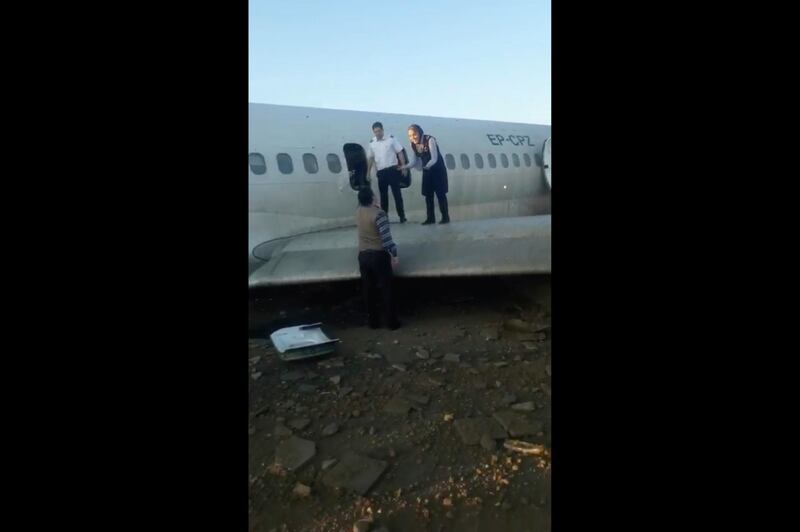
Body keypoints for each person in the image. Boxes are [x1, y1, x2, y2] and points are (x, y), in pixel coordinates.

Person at [356, 186, 401, 330]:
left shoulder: (358, 212)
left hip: (363, 256)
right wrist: (394, 255)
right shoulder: (379, 214)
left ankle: (373, 322)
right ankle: (392, 323)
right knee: (386, 289)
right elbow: (386, 239)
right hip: (378, 256)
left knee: (369, 290)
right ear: (372, 198)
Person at [399, 124, 449, 224]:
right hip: (427, 170)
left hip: (437, 170)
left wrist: (426, 166)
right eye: (410, 136)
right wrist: (403, 167)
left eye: (414, 134)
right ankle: (430, 218)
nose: (412, 137)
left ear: (420, 132)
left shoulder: (430, 140)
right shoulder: (413, 144)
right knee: (428, 195)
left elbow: (434, 158)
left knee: (440, 194)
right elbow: (414, 161)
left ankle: (445, 217)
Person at [365, 121, 408, 223]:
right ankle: (385, 217)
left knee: (397, 194)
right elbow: (370, 158)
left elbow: (400, 152)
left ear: (383, 130)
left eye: (379, 131)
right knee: (383, 197)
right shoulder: (372, 143)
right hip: (381, 172)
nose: (378, 133)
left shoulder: (391, 139)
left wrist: (403, 167)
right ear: (373, 132)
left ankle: (402, 216)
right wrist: (368, 172)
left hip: (392, 170)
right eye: (375, 132)